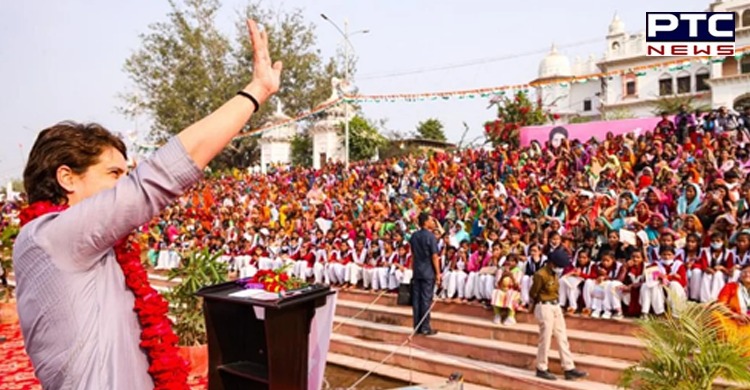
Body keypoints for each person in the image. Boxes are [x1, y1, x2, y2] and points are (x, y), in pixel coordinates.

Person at [12, 20, 281, 389]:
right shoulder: (50, 237)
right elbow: (158, 177)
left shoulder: (88, 248)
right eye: (113, 174)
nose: (124, 184)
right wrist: (256, 92)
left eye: (127, 173)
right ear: (66, 178)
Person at [529, 248, 588, 381]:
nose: (560, 269)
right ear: (551, 263)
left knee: (562, 337)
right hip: (544, 306)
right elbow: (533, 293)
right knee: (546, 339)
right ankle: (541, 367)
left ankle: (569, 367)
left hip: (556, 306)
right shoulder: (540, 275)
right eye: (558, 266)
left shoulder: (555, 273)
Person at [409, 212, 441, 336]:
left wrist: (413, 269)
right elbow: (434, 256)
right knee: (426, 299)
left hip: (417, 270)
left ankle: (417, 325)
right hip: (428, 271)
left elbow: (413, 255)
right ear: (426, 222)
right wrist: (438, 273)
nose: (433, 222)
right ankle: (425, 327)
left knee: (416, 300)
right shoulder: (430, 237)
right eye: (431, 220)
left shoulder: (414, 236)